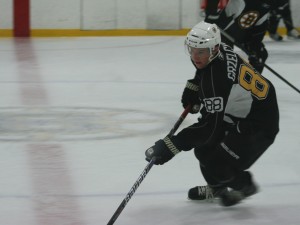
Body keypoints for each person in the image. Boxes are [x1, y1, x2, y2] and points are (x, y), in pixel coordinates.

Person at [145, 21, 279, 206]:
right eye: (192, 50)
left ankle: (245, 186)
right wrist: (194, 87)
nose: (195, 56)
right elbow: (203, 72)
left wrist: (170, 146)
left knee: (218, 165)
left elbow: (209, 128)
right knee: (204, 149)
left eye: (201, 52)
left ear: (214, 49)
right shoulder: (219, 50)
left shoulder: (216, 81)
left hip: (258, 123)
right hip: (243, 110)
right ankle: (217, 188)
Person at [203, 0, 272, 73]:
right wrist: (211, 11)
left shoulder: (267, 7)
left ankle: (250, 81)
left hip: (242, 35)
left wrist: (255, 47)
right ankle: (204, 81)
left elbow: (259, 30)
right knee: (222, 56)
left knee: (260, 54)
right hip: (224, 31)